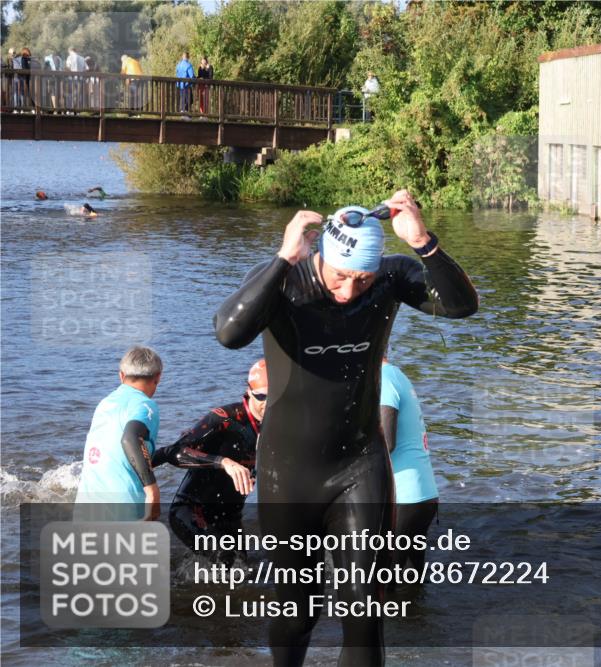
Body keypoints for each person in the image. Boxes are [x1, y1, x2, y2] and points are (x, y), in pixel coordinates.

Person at [214, 189, 478, 667]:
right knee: (296, 609)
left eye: (362, 279)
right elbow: (229, 332)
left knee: (365, 609)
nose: (349, 291)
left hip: (359, 464)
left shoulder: (390, 279)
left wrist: (423, 242)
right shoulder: (286, 281)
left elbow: (461, 306)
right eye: (340, 276)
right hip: (288, 474)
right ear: (318, 256)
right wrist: (281, 258)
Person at [152, 359, 264, 565]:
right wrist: (224, 462)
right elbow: (175, 451)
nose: (267, 403)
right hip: (191, 510)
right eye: (261, 396)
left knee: (242, 572)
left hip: (230, 517)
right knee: (225, 559)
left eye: (273, 397)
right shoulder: (225, 419)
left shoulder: (278, 423)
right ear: (249, 392)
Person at [74, 346, 163, 521]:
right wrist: (153, 492)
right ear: (158, 377)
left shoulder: (105, 403)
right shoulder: (145, 405)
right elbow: (130, 438)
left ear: (121, 375)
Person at [380, 356, 439, 573]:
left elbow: (387, 442)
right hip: (423, 494)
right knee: (413, 581)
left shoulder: (384, 378)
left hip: (405, 498)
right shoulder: (397, 374)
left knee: (384, 581)